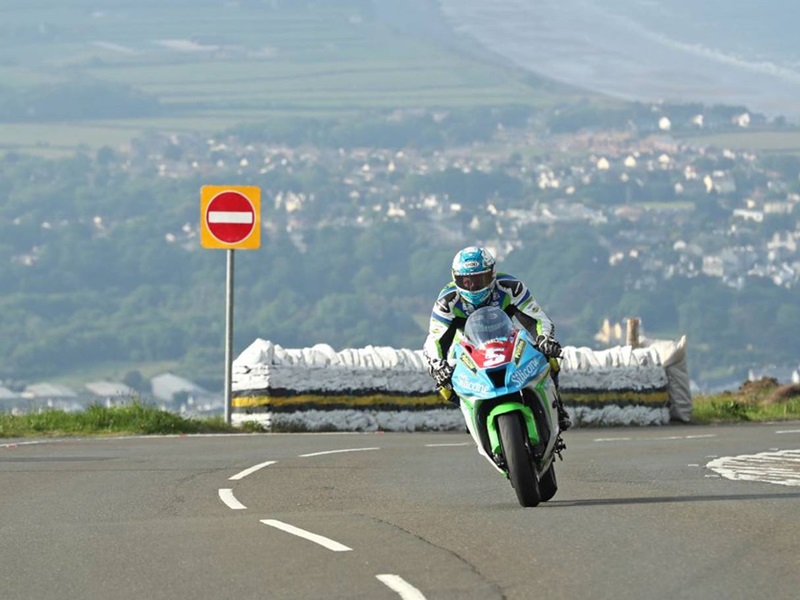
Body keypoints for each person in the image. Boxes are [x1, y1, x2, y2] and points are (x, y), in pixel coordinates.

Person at [423, 246, 572, 431]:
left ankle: (558, 406)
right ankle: (474, 415)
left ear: (492, 274)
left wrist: (544, 339)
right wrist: (438, 366)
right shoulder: (447, 302)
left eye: (480, 279)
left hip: (507, 337)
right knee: (444, 386)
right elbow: (434, 340)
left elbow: (538, 319)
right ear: (455, 279)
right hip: (468, 346)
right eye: (466, 281)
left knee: (549, 357)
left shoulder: (510, 287)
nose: (473, 286)